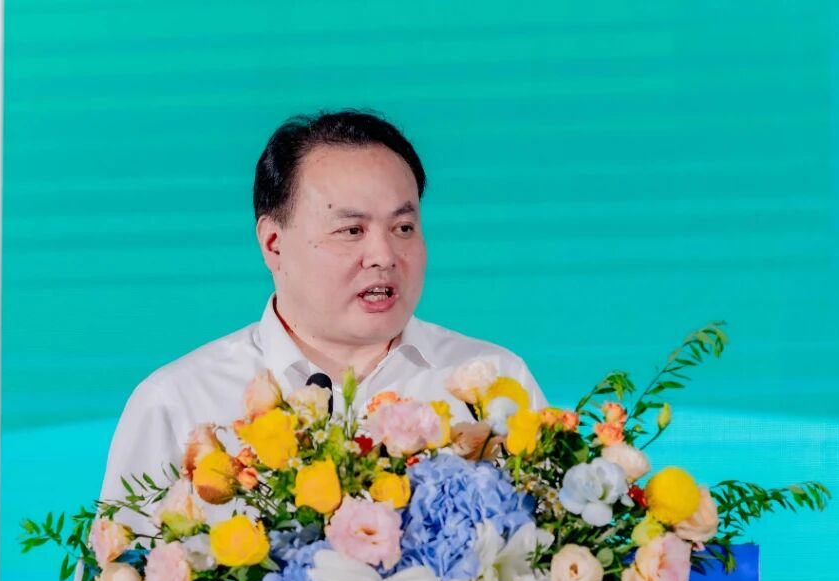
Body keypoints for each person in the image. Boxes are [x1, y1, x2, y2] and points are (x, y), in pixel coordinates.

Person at [97, 109, 547, 534]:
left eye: (403, 228)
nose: (384, 256)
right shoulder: (180, 403)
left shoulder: (495, 381)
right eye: (351, 231)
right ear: (273, 244)